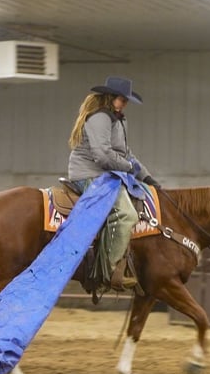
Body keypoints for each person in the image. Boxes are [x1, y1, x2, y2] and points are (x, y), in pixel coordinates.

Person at [67, 76, 160, 291]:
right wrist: (127, 168)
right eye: (122, 99)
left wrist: (146, 177)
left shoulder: (118, 120)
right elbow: (102, 155)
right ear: (111, 98)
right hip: (88, 173)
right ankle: (108, 271)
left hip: (106, 174)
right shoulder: (100, 118)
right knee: (126, 214)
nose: (125, 103)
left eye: (127, 100)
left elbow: (125, 154)